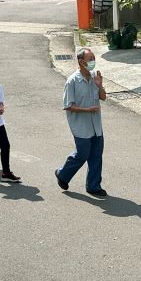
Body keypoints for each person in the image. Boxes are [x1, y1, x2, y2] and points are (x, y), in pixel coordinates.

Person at [55, 47, 107, 197]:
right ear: (81, 61)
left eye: (93, 58)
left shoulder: (94, 78)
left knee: (96, 156)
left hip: (96, 125)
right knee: (82, 154)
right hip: (81, 127)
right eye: (90, 59)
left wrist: (100, 85)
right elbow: (68, 106)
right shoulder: (72, 81)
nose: (93, 62)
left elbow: (103, 97)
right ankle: (63, 174)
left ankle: (94, 186)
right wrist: (88, 110)